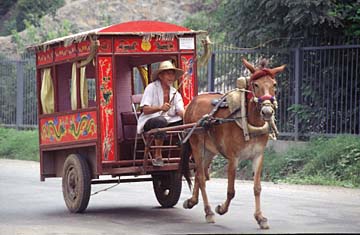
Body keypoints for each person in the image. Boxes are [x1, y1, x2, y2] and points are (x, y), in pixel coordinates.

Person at [137, 60, 185, 167]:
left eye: (172, 74)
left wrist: (188, 117)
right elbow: (145, 109)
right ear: (161, 75)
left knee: (187, 122)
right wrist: (160, 108)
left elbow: (180, 110)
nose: (171, 77)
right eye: (168, 73)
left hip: (169, 121)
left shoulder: (175, 92)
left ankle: (188, 154)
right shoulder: (151, 87)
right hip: (150, 121)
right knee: (161, 121)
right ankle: (157, 155)